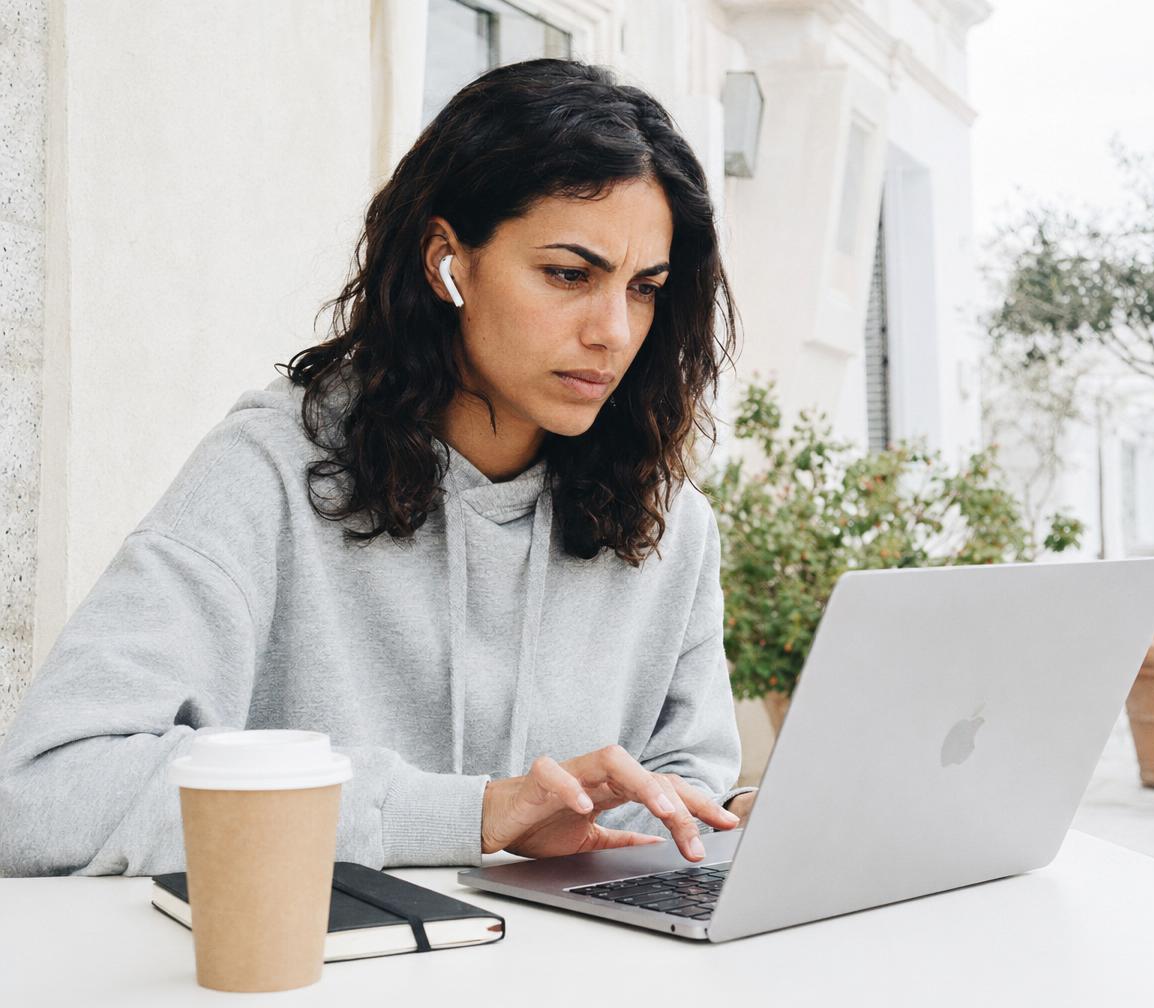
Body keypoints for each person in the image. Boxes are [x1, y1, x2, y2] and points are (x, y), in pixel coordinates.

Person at [0, 57, 759, 877]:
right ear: (447, 260)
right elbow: (47, 796)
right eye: (568, 274)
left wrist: (716, 818)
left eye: (645, 288)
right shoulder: (270, 474)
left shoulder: (669, 523)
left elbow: (688, 784)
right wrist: (470, 816)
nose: (613, 329)